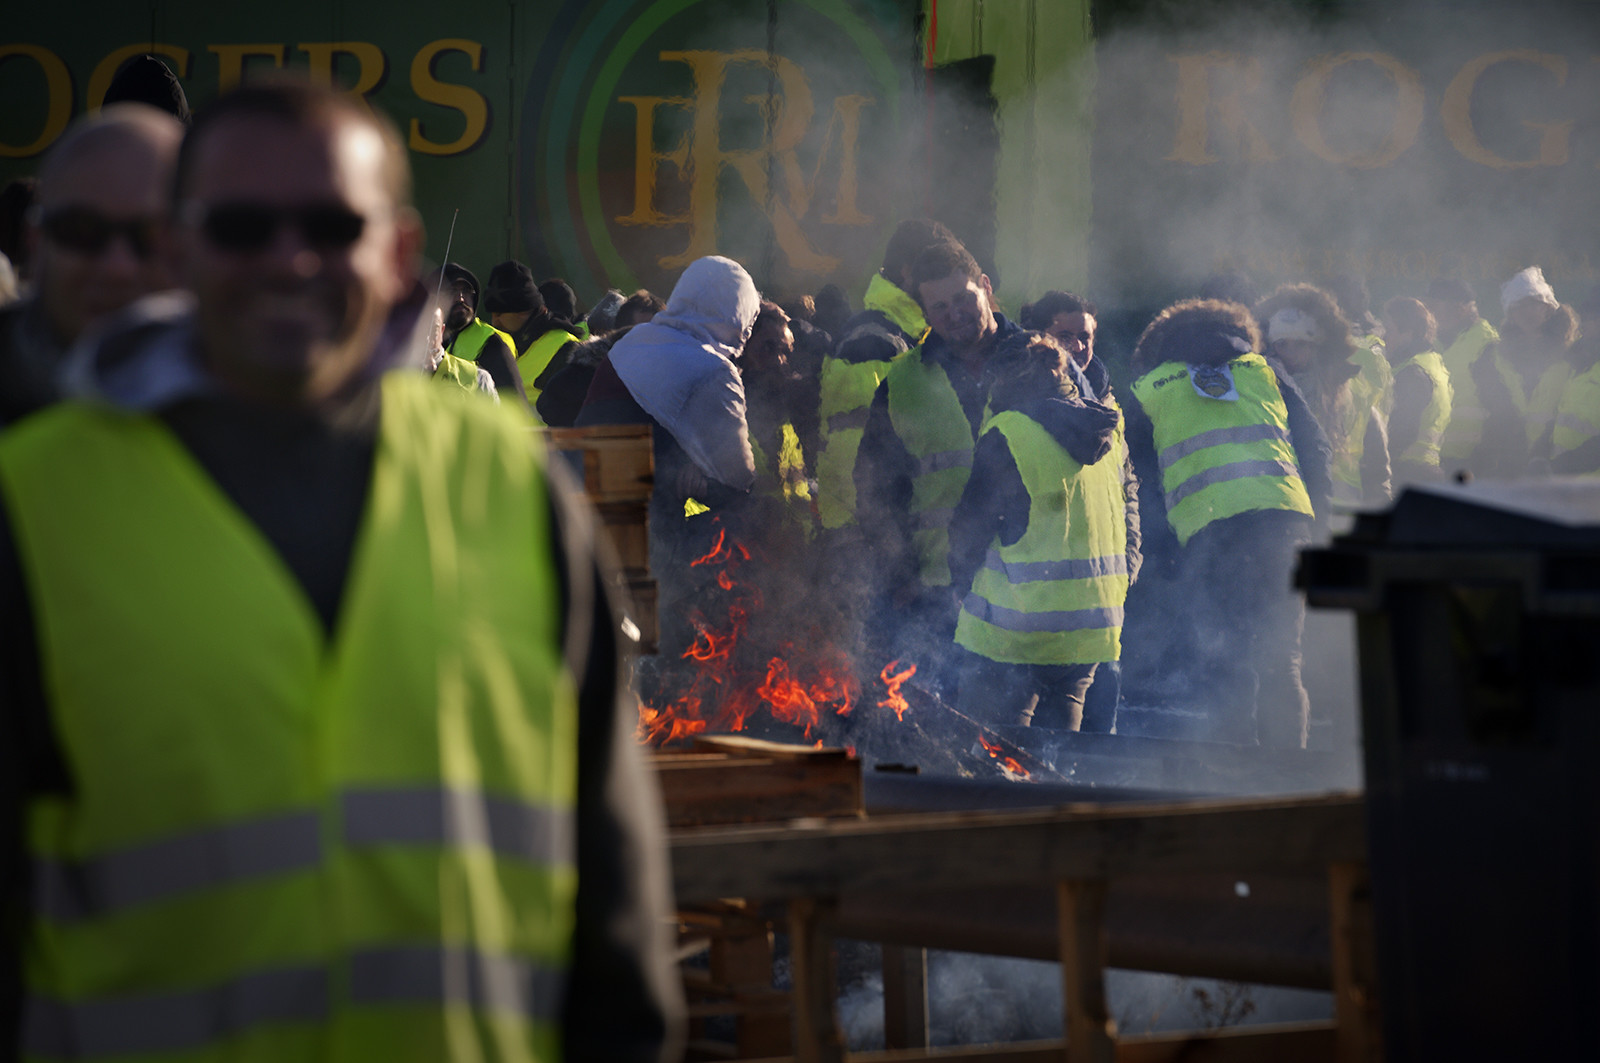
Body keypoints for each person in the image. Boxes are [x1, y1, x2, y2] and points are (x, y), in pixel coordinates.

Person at [0, 81, 681, 1061]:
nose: (289, 257)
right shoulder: (37, 503)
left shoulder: (505, 487)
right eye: (242, 225)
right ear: (181, 250)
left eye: (329, 222)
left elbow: (611, 892)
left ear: (400, 254)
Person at [1124, 299, 1329, 747]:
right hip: (1283, 527)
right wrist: (1319, 523)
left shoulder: (1149, 388)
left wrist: (1164, 561)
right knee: (1283, 661)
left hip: (1209, 535)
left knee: (1225, 661)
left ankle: (1234, 782)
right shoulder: (1264, 370)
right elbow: (1315, 447)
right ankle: (1288, 780)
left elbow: (1140, 483)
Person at [855, 239, 1023, 684]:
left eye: (964, 298)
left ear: (985, 287)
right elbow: (875, 489)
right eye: (939, 306)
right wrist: (898, 576)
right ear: (925, 315)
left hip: (1030, 588)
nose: (954, 314)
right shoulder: (902, 383)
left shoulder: (1038, 362)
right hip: (937, 592)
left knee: (1022, 740)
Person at [577, 256, 758, 656]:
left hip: (584, 524)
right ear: (734, 312)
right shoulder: (713, 369)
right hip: (649, 541)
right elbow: (739, 476)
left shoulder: (632, 343)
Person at [947, 331, 1126, 731]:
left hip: (1017, 625)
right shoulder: (1099, 429)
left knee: (992, 749)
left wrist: (957, 583)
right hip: (1091, 625)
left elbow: (970, 527)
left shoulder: (1010, 430)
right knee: (1057, 750)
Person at [0, 105, 183, 426]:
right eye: (82, 231)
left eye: (152, 235)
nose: (118, 267)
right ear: (35, 240)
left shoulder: (265, 407)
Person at [1017, 290, 1140, 733]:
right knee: (1018, 734)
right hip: (1032, 598)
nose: (1078, 347)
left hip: (1100, 600)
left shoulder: (1108, 407)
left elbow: (1127, 490)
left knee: (1090, 737)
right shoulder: (1019, 398)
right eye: (1064, 336)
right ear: (1041, 337)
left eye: (1084, 337)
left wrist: (1130, 561)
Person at [815, 219, 952, 532]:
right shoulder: (872, 340)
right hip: (868, 533)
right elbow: (850, 453)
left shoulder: (910, 335)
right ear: (907, 271)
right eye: (937, 271)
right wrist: (873, 537)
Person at [1256, 283, 1389, 510]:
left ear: (1316, 346)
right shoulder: (1259, 393)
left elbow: (1378, 472)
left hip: (1342, 520)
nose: (1290, 352)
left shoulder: (1353, 396)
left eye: (1300, 344)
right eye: (1282, 344)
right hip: (1285, 519)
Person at [1472, 266, 1580, 477]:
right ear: (1510, 313)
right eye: (1519, 306)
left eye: (1534, 305)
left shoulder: (1572, 354)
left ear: (1548, 308)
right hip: (1507, 459)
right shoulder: (1494, 354)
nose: (1526, 312)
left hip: (1555, 461)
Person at [1424, 277, 1498, 473]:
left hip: (1472, 462)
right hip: (1434, 458)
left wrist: (1484, 455)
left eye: (1433, 306)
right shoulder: (1431, 341)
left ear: (1459, 309)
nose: (1428, 314)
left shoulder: (1486, 344)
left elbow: (1500, 407)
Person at [1379, 296, 1452, 487]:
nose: (1384, 337)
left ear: (1408, 332)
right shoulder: (1433, 362)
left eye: (1389, 329)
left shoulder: (1412, 373)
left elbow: (1403, 431)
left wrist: (1377, 464)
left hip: (1406, 474)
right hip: (1426, 472)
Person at [430, 261, 525, 406]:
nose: (461, 298)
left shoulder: (491, 343)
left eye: (466, 291)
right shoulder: (435, 343)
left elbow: (514, 406)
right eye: (452, 291)